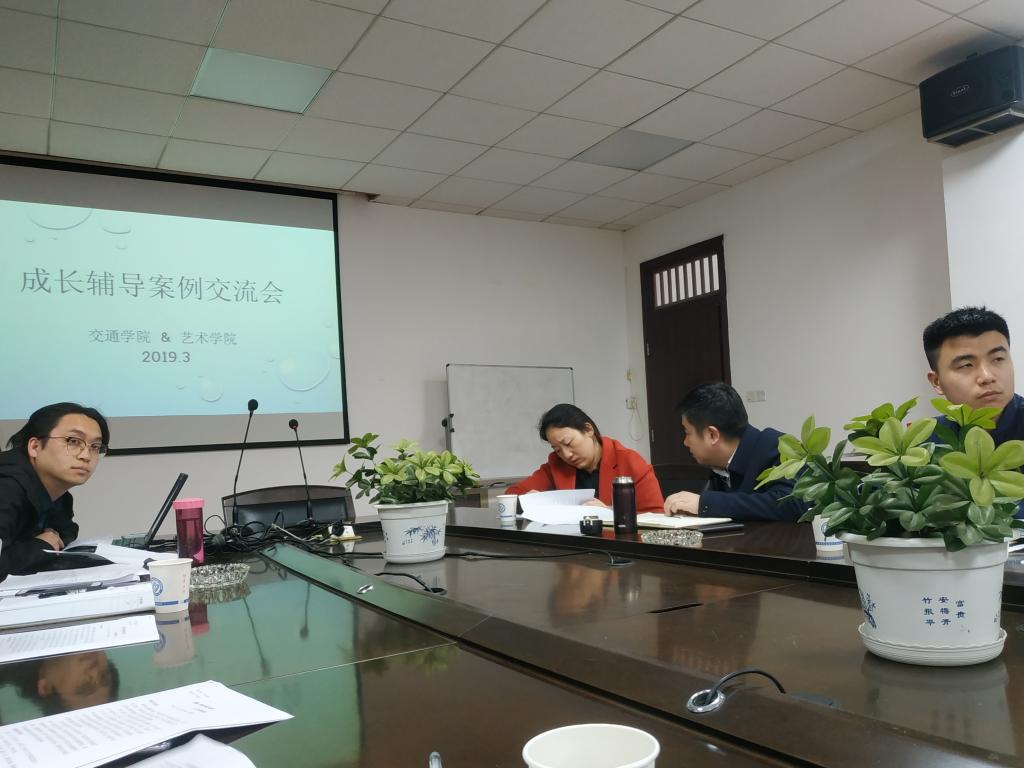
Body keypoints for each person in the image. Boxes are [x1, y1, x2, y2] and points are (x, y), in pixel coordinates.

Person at [662, 382, 804, 521]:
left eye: (687, 433)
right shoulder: (719, 463)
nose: (685, 442)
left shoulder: (778, 446)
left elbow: (793, 503)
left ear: (712, 435)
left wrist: (704, 504)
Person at [0, 402, 109, 577]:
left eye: (95, 447)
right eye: (73, 441)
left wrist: (47, 541)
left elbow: (65, 532)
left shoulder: (59, 496)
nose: (86, 456)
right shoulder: (7, 488)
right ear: (35, 447)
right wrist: (40, 545)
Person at [507, 404, 664, 511]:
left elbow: (656, 515)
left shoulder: (630, 462)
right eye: (557, 449)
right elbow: (511, 495)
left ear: (588, 430)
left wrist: (610, 513)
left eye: (568, 443)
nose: (566, 455)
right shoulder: (557, 463)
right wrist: (531, 500)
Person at [923, 306, 1024, 442]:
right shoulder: (926, 441)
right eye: (966, 365)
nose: (987, 377)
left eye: (998, 359)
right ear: (937, 382)